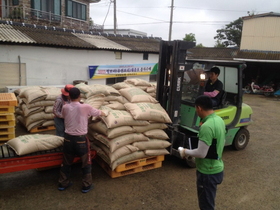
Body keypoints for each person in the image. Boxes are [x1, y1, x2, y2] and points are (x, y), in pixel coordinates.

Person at [178, 95, 226, 210]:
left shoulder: (207, 126)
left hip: (207, 173)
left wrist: (185, 152)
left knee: (206, 206)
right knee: (209, 201)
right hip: (217, 168)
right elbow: (220, 142)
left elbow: (201, 153)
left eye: (195, 108)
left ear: (199, 108)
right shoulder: (219, 120)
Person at [58, 87, 106, 193]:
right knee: (86, 163)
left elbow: (63, 116)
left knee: (66, 163)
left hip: (68, 140)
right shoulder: (86, 107)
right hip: (81, 141)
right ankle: (86, 186)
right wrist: (106, 113)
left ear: (69, 96)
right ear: (79, 96)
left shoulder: (65, 107)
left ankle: (63, 183)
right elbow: (98, 113)